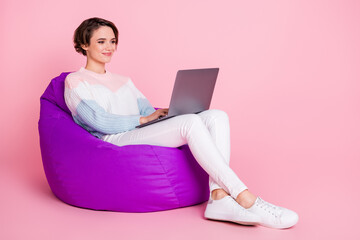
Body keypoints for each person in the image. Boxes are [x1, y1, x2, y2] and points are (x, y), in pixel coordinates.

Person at [64, 17, 299, 229]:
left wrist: (169, 113)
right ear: (84, 45)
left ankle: (218, 196)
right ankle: (243, 195)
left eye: (113, 41)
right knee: (189, 124)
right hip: (113, 140)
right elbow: (98, 120)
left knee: (216, 115)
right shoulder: (76, 81)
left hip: (138, 130)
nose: (109, 48)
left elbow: (147, 111)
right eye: (101, 41)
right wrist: (144, 119)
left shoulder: (124, 80)